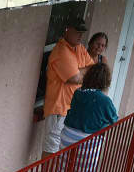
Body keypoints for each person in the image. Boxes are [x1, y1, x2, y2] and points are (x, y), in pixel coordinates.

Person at [61, 62, 119, 172]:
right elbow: (114, 120)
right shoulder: (105, 100)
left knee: (63, 171)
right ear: (105, 81)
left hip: (67, 135)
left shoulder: (78, 93)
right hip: (87, 142)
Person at [41, 16, 96, 159]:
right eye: (77, 31)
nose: (80, 35)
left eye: (82, 32)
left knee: (64, 146)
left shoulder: (80, 49)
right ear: (67, 30)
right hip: (58, 107)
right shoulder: (61, 51)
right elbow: (74, 79)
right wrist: (82, 72)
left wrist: (79, 71)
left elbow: (94, 70)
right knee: (52, 145)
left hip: (72, 106)